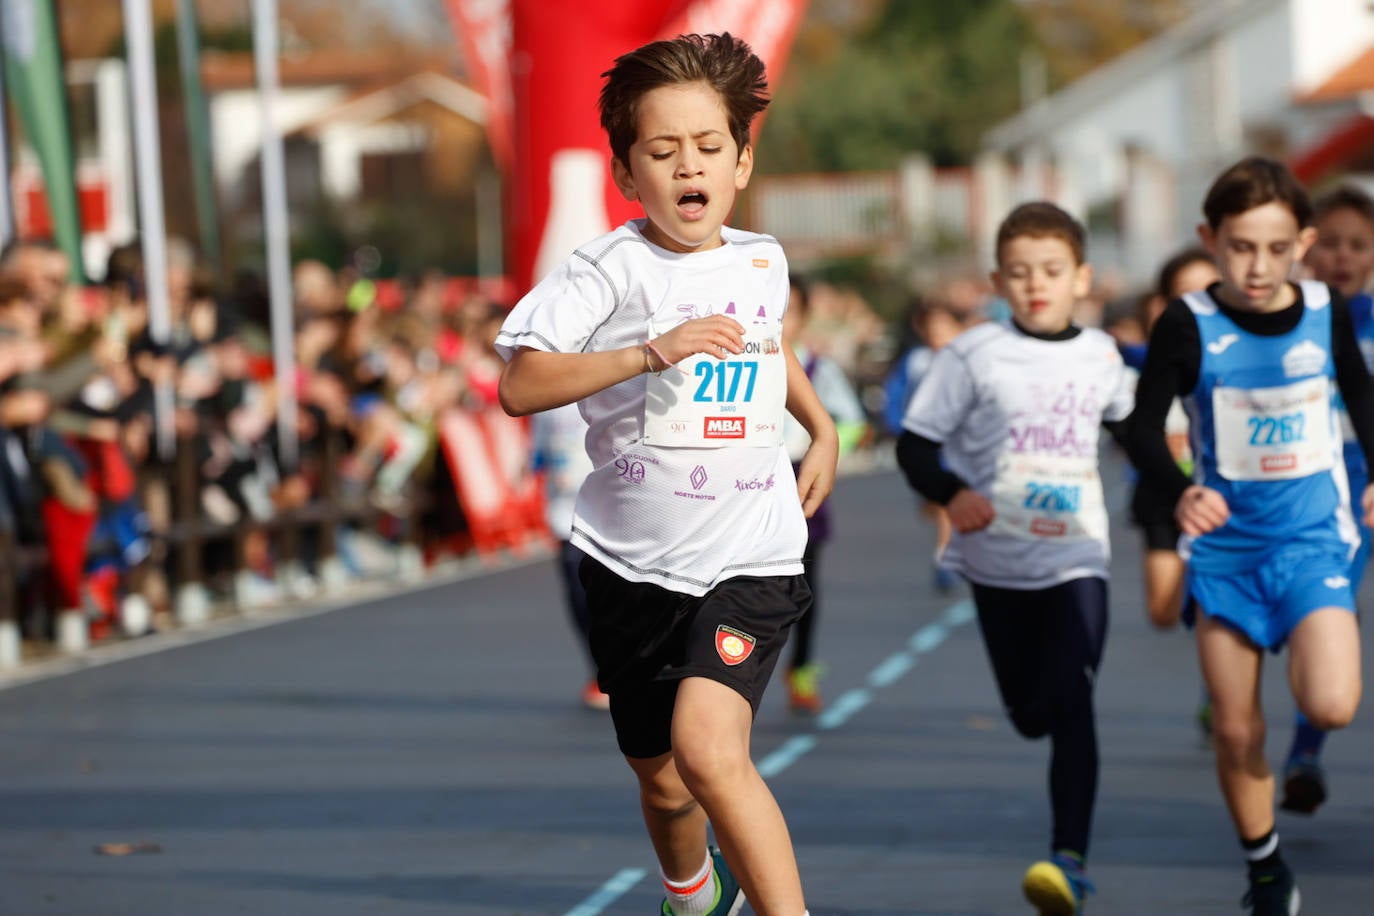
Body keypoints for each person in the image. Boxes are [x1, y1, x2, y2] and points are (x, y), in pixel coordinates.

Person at [495, 33, 836, 916]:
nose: (690, 165)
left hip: (749, 554)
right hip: (631, 564)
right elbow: (520, 385)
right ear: (626, 171)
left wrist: (821, 425)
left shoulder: (762, 259)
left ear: (742, 160)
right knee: (664, 782)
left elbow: (767, 341)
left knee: (712, 753)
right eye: (664, 149)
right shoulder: (606, 270)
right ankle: (693, 893)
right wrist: (649, 354)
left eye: (709, 147)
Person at [1126, 156, 1371, 915]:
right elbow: (1139, 427)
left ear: (1300, 242)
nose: (1257, 266)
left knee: (1331, 703)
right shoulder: (1188, 322)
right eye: (1239, 247)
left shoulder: (1327, 311)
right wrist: (1180, 491)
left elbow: (1361, 395)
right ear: (1211, 238)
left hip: (1311, 540)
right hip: (1226, 554)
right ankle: (1265, 869)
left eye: (1274, 248)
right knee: (1235, 732)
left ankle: (1304, 715)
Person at [896, 201, 1134, 914]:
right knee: (1032, 713)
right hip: (998, 559)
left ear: (1081, 278)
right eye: (1022, 273)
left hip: (1078, 555)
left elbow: (1136, 433)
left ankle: (1069, 861)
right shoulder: (972, 354)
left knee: (1075, 699)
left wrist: (1183, 491)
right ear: (999, 280)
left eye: (1053, 271)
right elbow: (915, 446)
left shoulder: (1100, 354)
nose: (1038, 285)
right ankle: (1062, 823)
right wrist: (952, 492)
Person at [1275, 183, 1374, 815]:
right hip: (1302, 488)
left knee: (1333, 612)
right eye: (1330, 242)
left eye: (1358, 245)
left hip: (1364, 489)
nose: (1342, 256)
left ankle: (1304, 754)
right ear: (1307, 249)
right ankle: (1297, 746)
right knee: (1309, 616)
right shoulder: (1291, 321)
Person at [780, 274, 868, 714]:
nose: (779, 322)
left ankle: (801, 667)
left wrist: (827, 453)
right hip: (748, 481)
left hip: (801, 479)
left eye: (789, 313)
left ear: (804, 317)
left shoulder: (817, 367)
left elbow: (850, 420)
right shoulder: (733, 360)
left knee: (803, 586)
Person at [529, 401, 610, 710]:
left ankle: (622, 667)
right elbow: (538, 444)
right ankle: (601, 669)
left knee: (613, 594)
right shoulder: (549, 398)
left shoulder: (610, 384)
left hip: (609, 508)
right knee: (578, 597)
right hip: (566, 512)